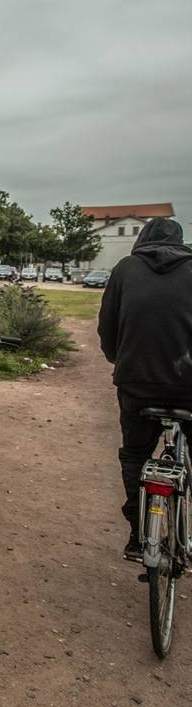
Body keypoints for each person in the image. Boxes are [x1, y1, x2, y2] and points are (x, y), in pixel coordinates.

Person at [98, 217, 192, 557]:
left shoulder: (126, 269)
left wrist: (117, 359)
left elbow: (107, 325)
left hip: (137, 382)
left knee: (136, 454)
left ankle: (139, 536)